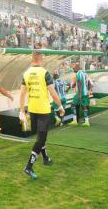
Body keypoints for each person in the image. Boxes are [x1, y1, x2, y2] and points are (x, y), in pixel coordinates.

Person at [20, 51, 64, 179]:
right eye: (43, 59)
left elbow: (22, 94)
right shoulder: (45, 73)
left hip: (32, 110)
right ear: (39, 60)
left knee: (41, 136)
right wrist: (60, 106)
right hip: (43, 111)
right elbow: (53, 92)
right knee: (40, 140)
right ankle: (28, 167)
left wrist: (22, 111)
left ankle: (45, 158)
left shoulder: (26, 73)